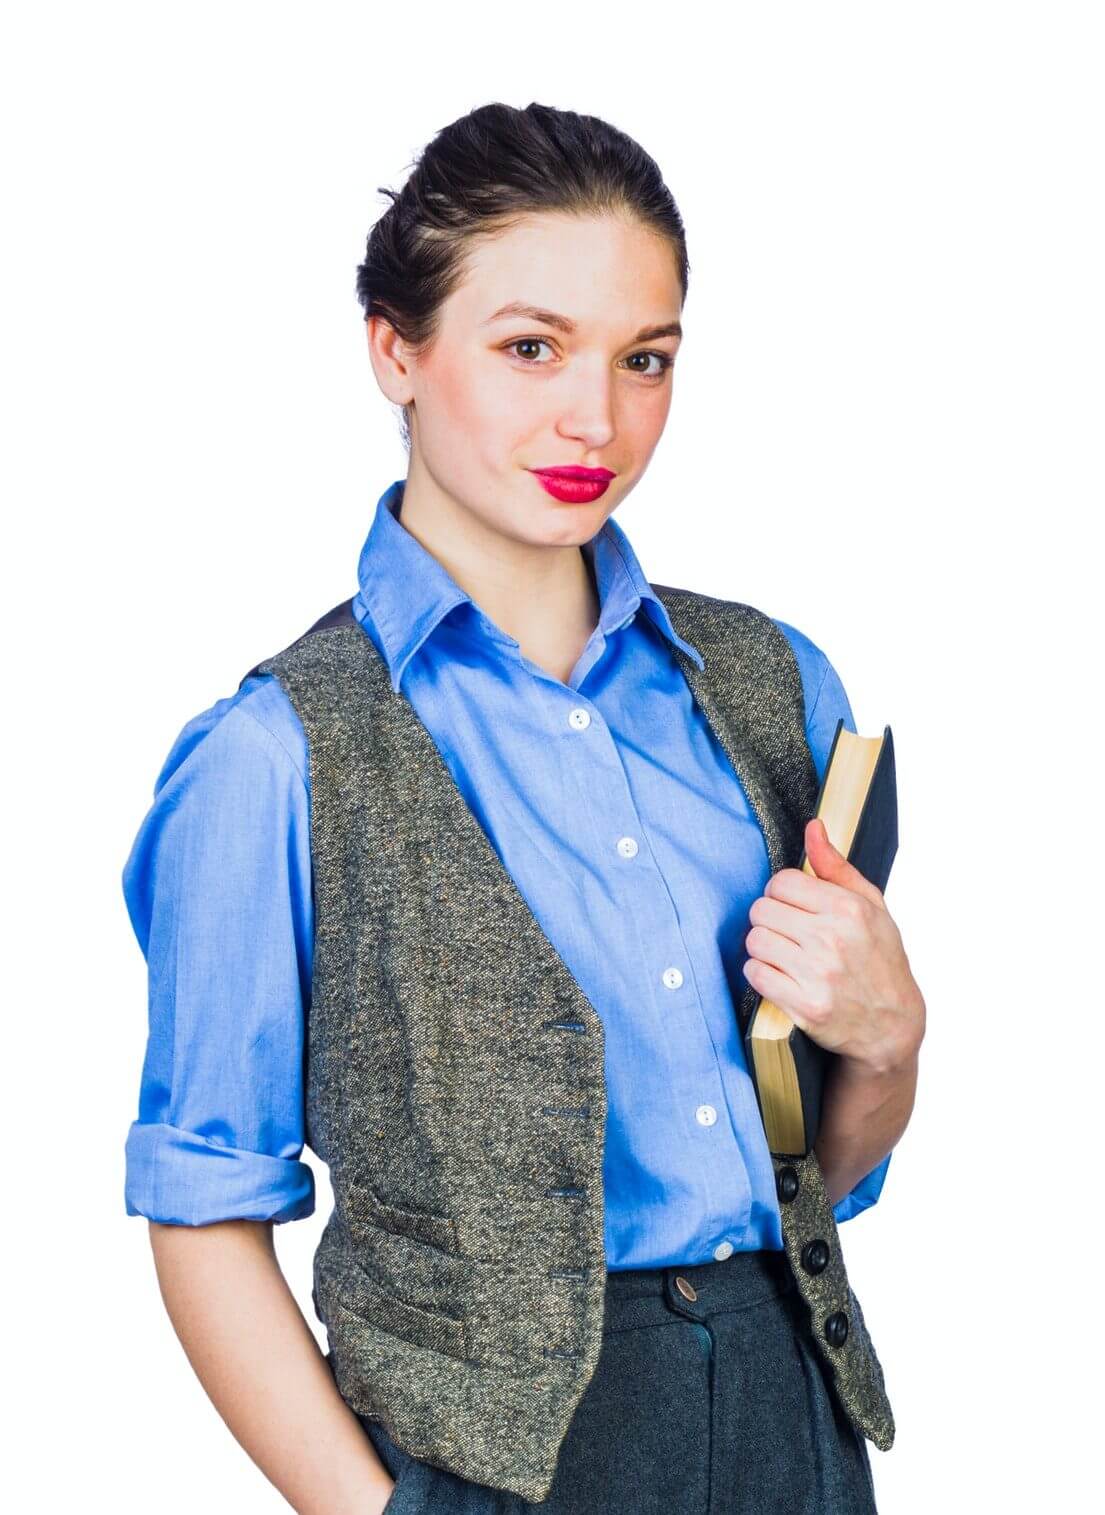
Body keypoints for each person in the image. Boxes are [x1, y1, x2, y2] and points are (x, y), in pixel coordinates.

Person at [122, 101, 925, 1514]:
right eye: (528, 348)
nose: (593, 419)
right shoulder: (273, 756)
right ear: (395, 349)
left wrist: (890, 1040)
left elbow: (817, 1161)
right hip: (494, 1462)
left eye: (645, 360)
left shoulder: (767, 684)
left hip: (792, 1409)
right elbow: (203, 1210)